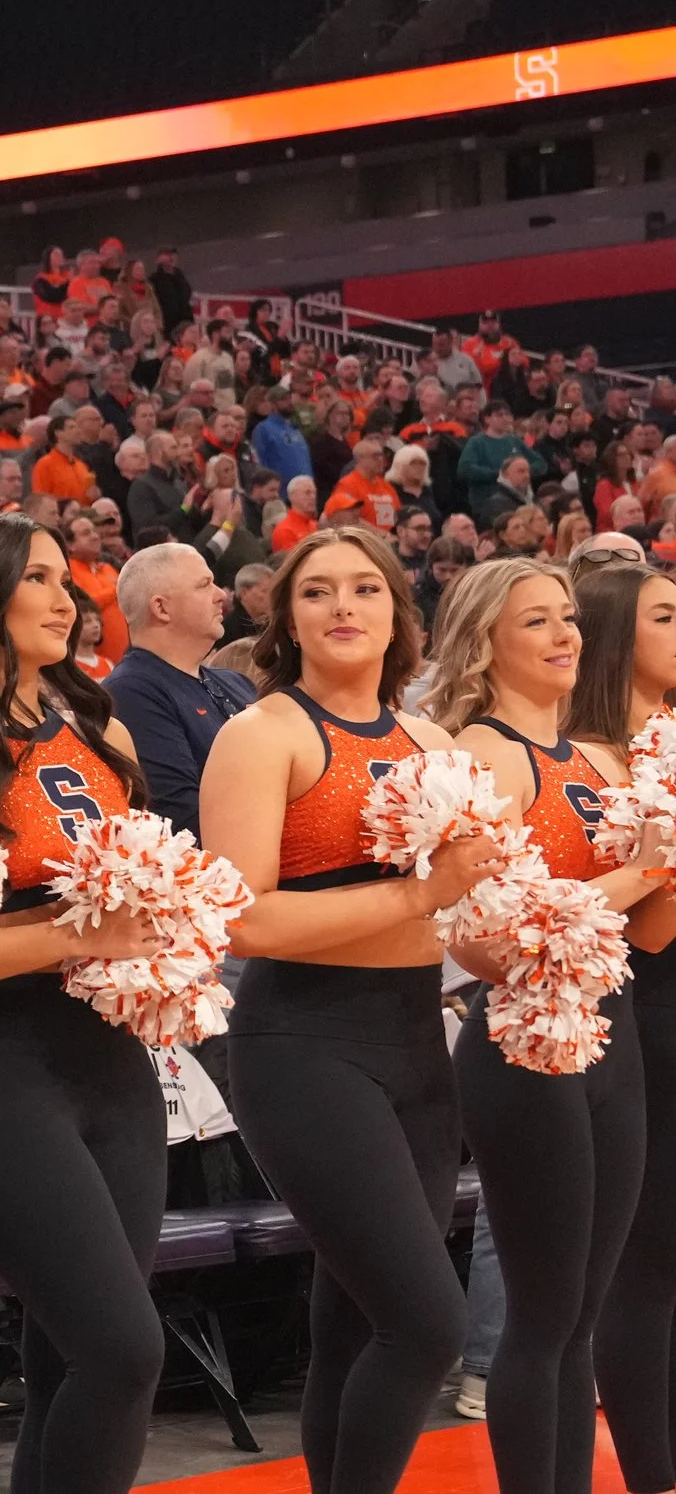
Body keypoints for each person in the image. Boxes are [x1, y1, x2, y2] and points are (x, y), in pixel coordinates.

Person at [199, 527, 505, 1494]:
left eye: (366, 587)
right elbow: (240, 918)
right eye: (318, 590)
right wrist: (421, 896)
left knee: (351, 1326)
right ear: (286, 617)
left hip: (417, 1039)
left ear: (397, 614)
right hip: (304, 1045)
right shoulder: (263, 734)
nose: (343, 606)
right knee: (425, 1325)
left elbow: (468, 903)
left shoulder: (436, 742)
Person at [0, 514, 170, 1494]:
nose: (67, 597)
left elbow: (135, 902)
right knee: (125, 1350)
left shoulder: (104, 730)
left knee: (70, 1360)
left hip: (115, 1065)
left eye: (67, 580)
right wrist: (77, 935)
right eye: (40, 578)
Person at [422, 559, 661, 1494]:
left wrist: (660, 865)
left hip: (616, 1028)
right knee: (545, 1311)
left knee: (588, 1312)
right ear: (487, 641)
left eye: (569, 617)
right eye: (539, 621)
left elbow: (643, 923)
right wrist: (644, 868)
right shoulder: (471, 758)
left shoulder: (600, 758)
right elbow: (490, 939)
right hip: (525, 1043)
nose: (567, 634)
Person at [575, 567, 676, 1490]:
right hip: (646, 1014)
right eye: (666, 615)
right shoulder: (597, 754)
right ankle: (652, 1471)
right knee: (648, 1262)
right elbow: (646, 924)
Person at [102, 543, 256, 839]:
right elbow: (182, 819)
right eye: (204, 585)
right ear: (161, 608)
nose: (221, 595)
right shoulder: (130, 692)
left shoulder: (238, 682)